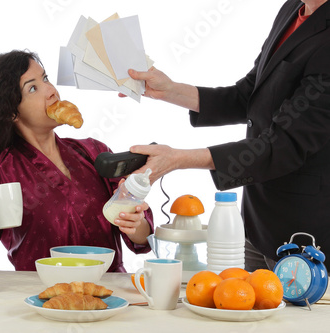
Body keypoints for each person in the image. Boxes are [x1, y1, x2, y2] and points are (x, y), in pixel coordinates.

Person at [123, 0, 330, 271]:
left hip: (305, 234)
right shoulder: (294, 8)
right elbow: (250, 94)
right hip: (257, 222)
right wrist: (169, 90)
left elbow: (284, 145)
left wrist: (178, 159)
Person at [0, 50, 153, 272]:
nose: (52, 91)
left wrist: (136, 221)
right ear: (11, 112)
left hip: (108, 295)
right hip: (38, 298)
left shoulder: (94, 152)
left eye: (45, 78)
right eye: (33, 88)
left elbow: (143, 240)